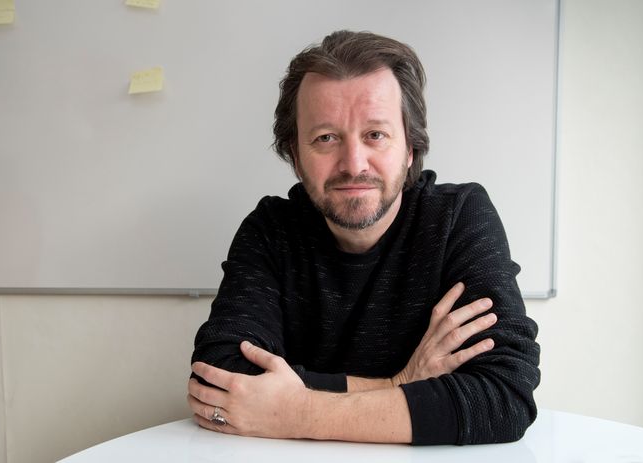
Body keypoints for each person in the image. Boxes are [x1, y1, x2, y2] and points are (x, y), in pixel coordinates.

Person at [187, 30, 540, 445]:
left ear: (410, 148)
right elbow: (220, 379)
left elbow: (504, 397)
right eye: (326, 138)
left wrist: (298, 411)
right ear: (296, 156)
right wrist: (399, 383)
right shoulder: (271, 231)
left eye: (375, 135)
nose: (353, 164)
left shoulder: (458, 218)